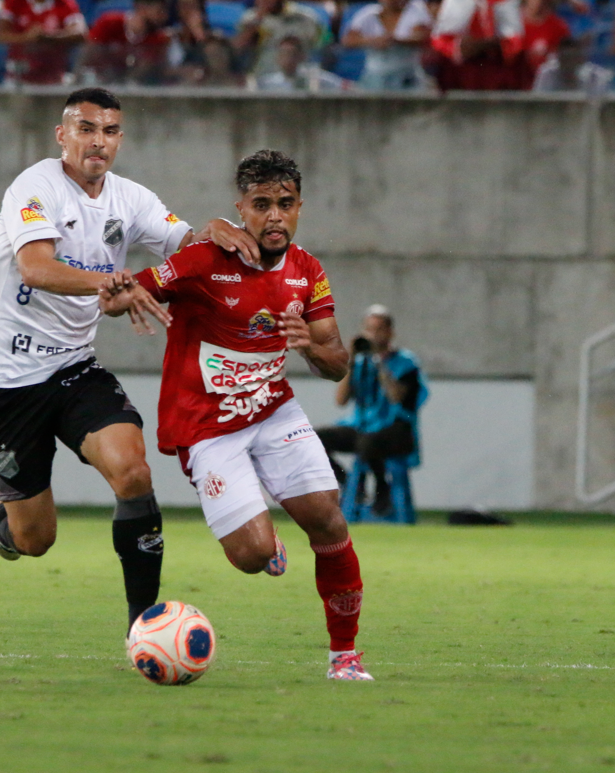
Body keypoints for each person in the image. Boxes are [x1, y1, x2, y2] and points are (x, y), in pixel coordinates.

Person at [0, 87, 260, 634]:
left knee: (133, 470)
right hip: (4, 379)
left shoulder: (129, 199)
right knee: (35, 540)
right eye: (87, 129)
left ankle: (143, 626)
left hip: (73, 366)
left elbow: (182, 244)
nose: (99, 142)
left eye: (110, 131)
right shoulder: (35, 186)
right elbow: (36, 267)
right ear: (62, 135)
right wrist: (112, 282)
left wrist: (208, 236)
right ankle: (4, 511)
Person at [98, 149, 374, 681]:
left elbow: (337, 364)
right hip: (206, 426)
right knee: (250, 556)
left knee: (328, 518)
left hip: (272, 410)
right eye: (262, 204)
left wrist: (308, 349)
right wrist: (115, 295)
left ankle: (345, 656)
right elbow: (131, 291)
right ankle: (265, 544)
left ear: (299, 208)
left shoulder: (306, 272)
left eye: (285, 204)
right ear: (241, 209)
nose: (275, 216)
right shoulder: (203, 260)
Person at [316, 304, 427, 515]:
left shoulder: (406, 363)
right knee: (314, 440)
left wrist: (379, 361)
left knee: (368, 443)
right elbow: (340, 400)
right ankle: (349, 482)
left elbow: (397, 397)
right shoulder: (360, 362)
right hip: (363, 424)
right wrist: (348, 362)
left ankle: (381, 487)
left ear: (390, 332)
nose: (373, 335)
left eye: (378, 329)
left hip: (396, 428)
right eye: (369, 329)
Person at [430, 0, 531, 90]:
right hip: (464, 74)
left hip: (497, 71)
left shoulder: (506, 2)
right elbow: (440, 42)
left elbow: (516, 43)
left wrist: (489, 44)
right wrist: (459, 48)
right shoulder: (456, 2)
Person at [341, 0, 432, 91]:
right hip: (375, 76)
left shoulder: (416, 11)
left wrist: (395, 41)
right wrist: (371, 41)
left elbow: (422, 37)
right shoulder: (368, 13)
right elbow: (347, 40)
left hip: (407, 75)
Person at [78, 0, 172, 85]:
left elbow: (141, 72)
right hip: (99, 81)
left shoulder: (158, 38)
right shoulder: (109, 23)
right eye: (160, 10)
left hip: (131, 88)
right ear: (141, 7)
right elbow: (87, 54)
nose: (164, 16)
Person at [0, 0, 87, 85]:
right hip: (18, 76)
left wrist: (49, 37)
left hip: (53, 76)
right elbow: (0, 36)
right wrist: (26, 37)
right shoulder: (14, 3)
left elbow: (80, 33)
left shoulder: (64, 3)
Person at [233, 0, 326, 79]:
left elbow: (324, 45)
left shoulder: (306, 18)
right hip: (263, 78)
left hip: (299, 76)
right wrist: (259, 18)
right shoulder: (250, 19)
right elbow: (237, 49)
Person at [257, 34, 350, 90]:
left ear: (301, 56)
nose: (287, 58)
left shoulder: (316, 78)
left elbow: (345, 87)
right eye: (283, 53)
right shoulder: (268, 82)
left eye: (291, 53)